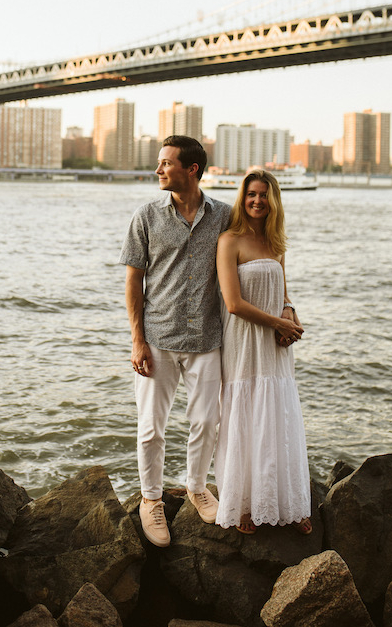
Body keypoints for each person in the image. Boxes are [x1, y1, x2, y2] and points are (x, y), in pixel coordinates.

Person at [119, 135, 233, 547]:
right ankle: (151, 500)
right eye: (159, 162)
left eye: (166, 163)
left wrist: (285, 304)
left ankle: (197, 487)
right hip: (158, 339)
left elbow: (256, 257)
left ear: (192, 170)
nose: (158, 170)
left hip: (206, 338)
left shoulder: (224, 216)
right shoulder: (146, 216)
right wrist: (137, 340)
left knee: (207, 422)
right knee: (151, 428)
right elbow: (133, 281)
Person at [214, 170, 311, 535]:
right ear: (243, 197)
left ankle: (290, 502)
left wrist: (290, 315)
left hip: (275, 345)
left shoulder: (276, 243)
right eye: (252, 194)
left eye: (264, 195)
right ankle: (242, 505)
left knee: (279, 416)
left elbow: (285, 292)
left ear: (274, 200)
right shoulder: (229, 241)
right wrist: (278, 323)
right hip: (243, 343)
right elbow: (234, 303)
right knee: (246, 416)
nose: (257, 201)